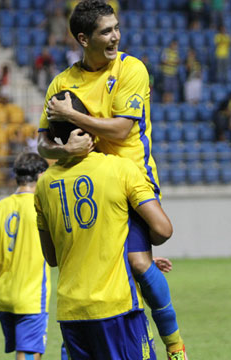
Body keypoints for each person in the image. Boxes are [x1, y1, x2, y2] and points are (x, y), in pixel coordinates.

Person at [37, 0, 187, 359]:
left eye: (117, 28)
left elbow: (121, 130)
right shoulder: (62, 82)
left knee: (135, 263)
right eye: (107, 31)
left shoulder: (131, 69)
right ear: (83, 38)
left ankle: (175, 345)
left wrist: (73, 115)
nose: (116, 36)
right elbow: (43, 144)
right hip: (89, 184)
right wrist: (66, 152)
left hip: (129, 180)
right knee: (91, 279)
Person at [35, 91, 172, 359]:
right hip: (116, 308)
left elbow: (51, 257)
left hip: (71, 311)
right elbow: (163, 229)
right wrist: (141, 247)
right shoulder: (120, 169)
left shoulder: (43, 184)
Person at [0, 152, 50, 359]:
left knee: (21, 352)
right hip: (32, 297)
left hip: (4, 298)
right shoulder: (42, 208)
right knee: (29, 354)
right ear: (41, 176)